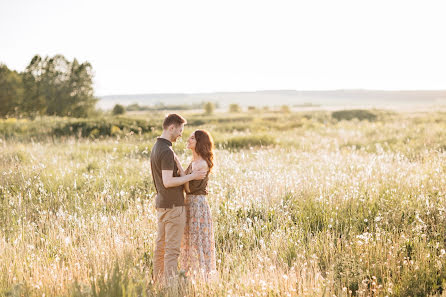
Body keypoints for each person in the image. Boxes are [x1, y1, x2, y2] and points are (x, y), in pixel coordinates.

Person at [150, 114, 207, 284]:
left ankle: (159, 283)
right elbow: (168, 182)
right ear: (171, 128)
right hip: (173, 207)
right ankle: (170, 288)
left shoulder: (157, 146)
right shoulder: (166, 151)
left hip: (162, 205)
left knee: (161, 248)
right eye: (180, 130)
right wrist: (191, 176)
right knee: (171, 251)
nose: (181, 134)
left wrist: (183, 171)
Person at [174, 129, 217, 281]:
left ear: (199, 142)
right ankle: (189, 276)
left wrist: (179, 168)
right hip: (190, 203)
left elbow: (188, 188)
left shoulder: (202, 164)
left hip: (197, 204)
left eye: (192, 138)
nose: (188, 139)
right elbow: (185, 182)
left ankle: (203, 277)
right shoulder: (194, 163)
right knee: (189, 240)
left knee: (199, 241)